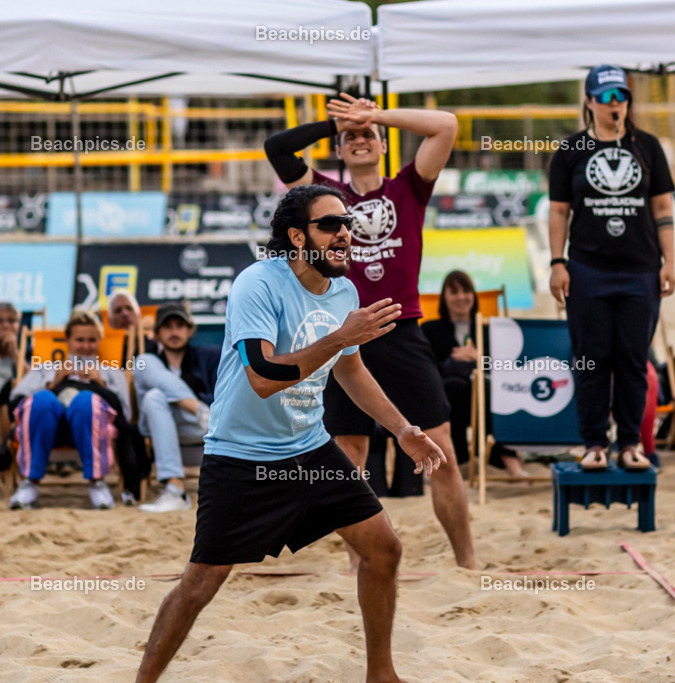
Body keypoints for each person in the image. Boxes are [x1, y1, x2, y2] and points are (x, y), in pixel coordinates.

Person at [136, 184, 445, 682]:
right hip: (241, 457)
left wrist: (403, 428)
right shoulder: (257, 283)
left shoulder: (344, 289)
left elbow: (351, 369)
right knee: (201, 584)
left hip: (309, 448)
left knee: (384, 548)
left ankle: (381, 674)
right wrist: (343, 336)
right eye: (331, 225)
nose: (345, 233)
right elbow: (261, 376)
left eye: (346, 223)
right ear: (298, 237)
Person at [264, 92, 476, 569]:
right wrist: (336, 123)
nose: (360, 139)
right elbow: (277, 147)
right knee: (350, 455)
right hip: (343, 336)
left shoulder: (409, 186)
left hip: (400, 330)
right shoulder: (321, 194)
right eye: (351, 137)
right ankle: (363, 564)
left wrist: (372, 113)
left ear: (383, 144)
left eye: (369, 135)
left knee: (440, 450)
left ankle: (467, 564)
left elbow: (446, 124)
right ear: (340, 150)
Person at [548, 64, 675, 472]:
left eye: (620, 95)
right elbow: (558, 212)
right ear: (588, 101)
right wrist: (557, 262)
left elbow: (662, 207)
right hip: (587, 269)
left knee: (634, 361)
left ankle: (631, 443)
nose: (614, 103)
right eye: (605, 97)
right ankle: (593, 443)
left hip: (640, 270)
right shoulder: (570, 151)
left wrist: (670, 261)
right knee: (591, 359)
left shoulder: (648, 147)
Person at [8, 309, 130, 510]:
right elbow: (16, 402)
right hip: (46, 429)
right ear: (68, 341)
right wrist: (53, 383)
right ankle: (30, 482)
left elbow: (126, 415)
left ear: (99, 341)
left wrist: (100, 385)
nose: (86, 346)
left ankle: (97, 482)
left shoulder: (111, 371)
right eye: (79, 340)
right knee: (42, 399)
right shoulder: (45, 367)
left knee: (85, 401)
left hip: (92, 428)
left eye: (92, 340)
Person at [420, 270, 527, 477]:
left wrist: (479, 358)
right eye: (454, 292)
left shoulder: (490, 329)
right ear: (444, 298)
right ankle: (504, 459)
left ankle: (491, 457)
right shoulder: (429, 329)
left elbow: (505, 368)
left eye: (466, 290)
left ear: (473, 295)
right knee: (456, 385)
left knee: (485, 387)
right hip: (447, 397)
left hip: (483, 395)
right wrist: (453, 361)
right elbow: (424, 368)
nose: (461, 297)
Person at [134, 302, 220, 513]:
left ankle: (175, 490)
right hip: (161, 426)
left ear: (190, 330)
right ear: (156, 333)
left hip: (201, 430)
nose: (174, 332)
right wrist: (198, 406)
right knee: (145, 369)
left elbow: (224, 395)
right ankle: (198, 410)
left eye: (180, 325)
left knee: (156, 394)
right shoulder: (151, 360)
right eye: (167, 326)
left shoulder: (210, 357)